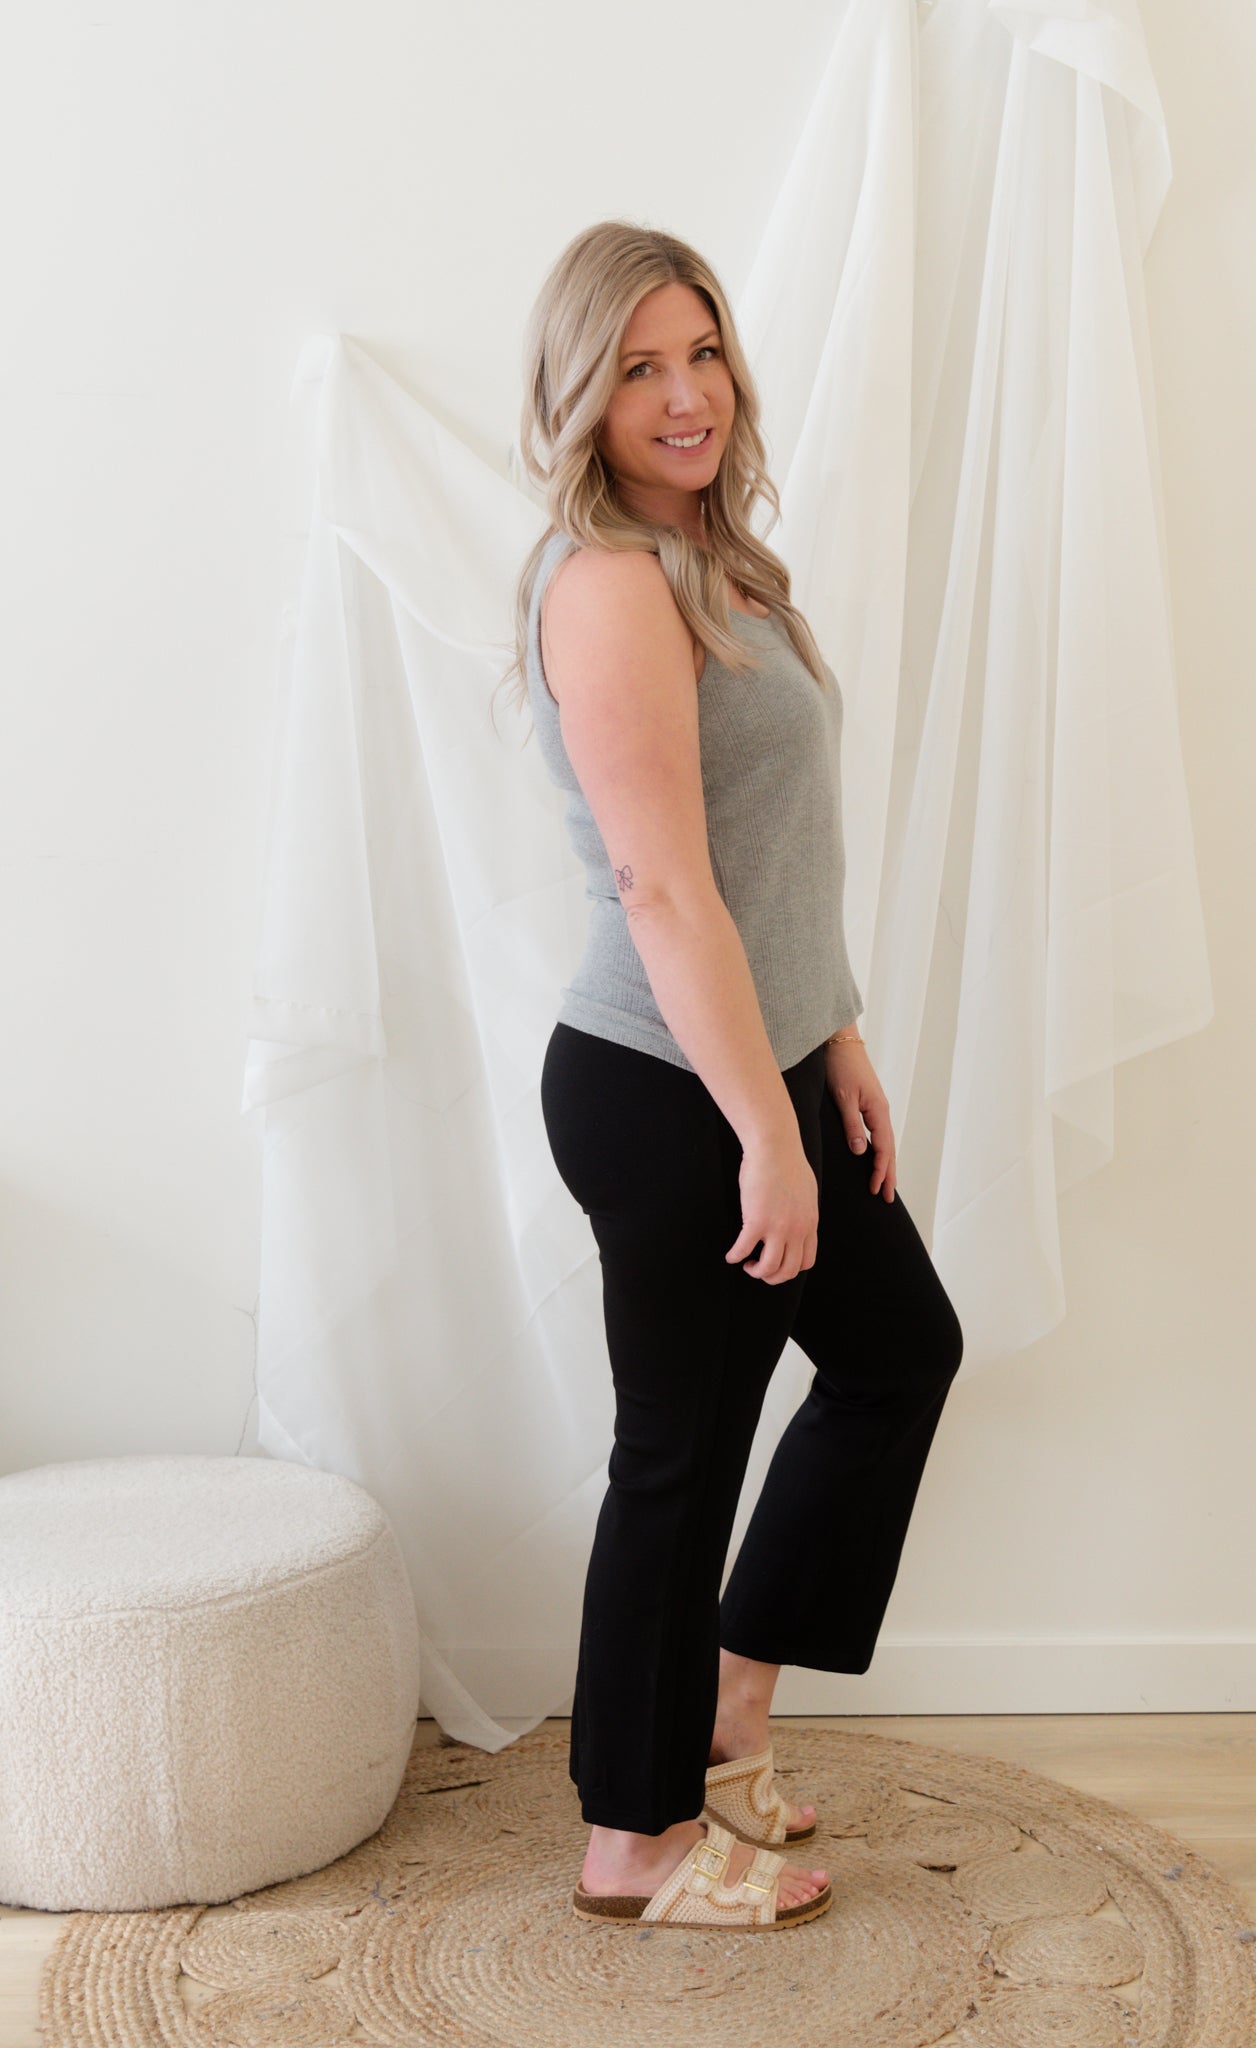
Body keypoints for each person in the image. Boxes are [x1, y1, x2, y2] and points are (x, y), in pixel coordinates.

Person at [503, 221, 964, 1934]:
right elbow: (661, 885)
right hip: (662, 1086)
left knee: (898, 1350)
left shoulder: (719, 561)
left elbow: (778, 853)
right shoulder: (607, 583)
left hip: (768, 1064)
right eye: (638, 369)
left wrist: (832, 1035)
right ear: (583, 396)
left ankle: (726, 1711)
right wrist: (764, 1131)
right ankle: (630, 1841)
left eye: (700, 352)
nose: (683, 394)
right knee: (678, 1458)